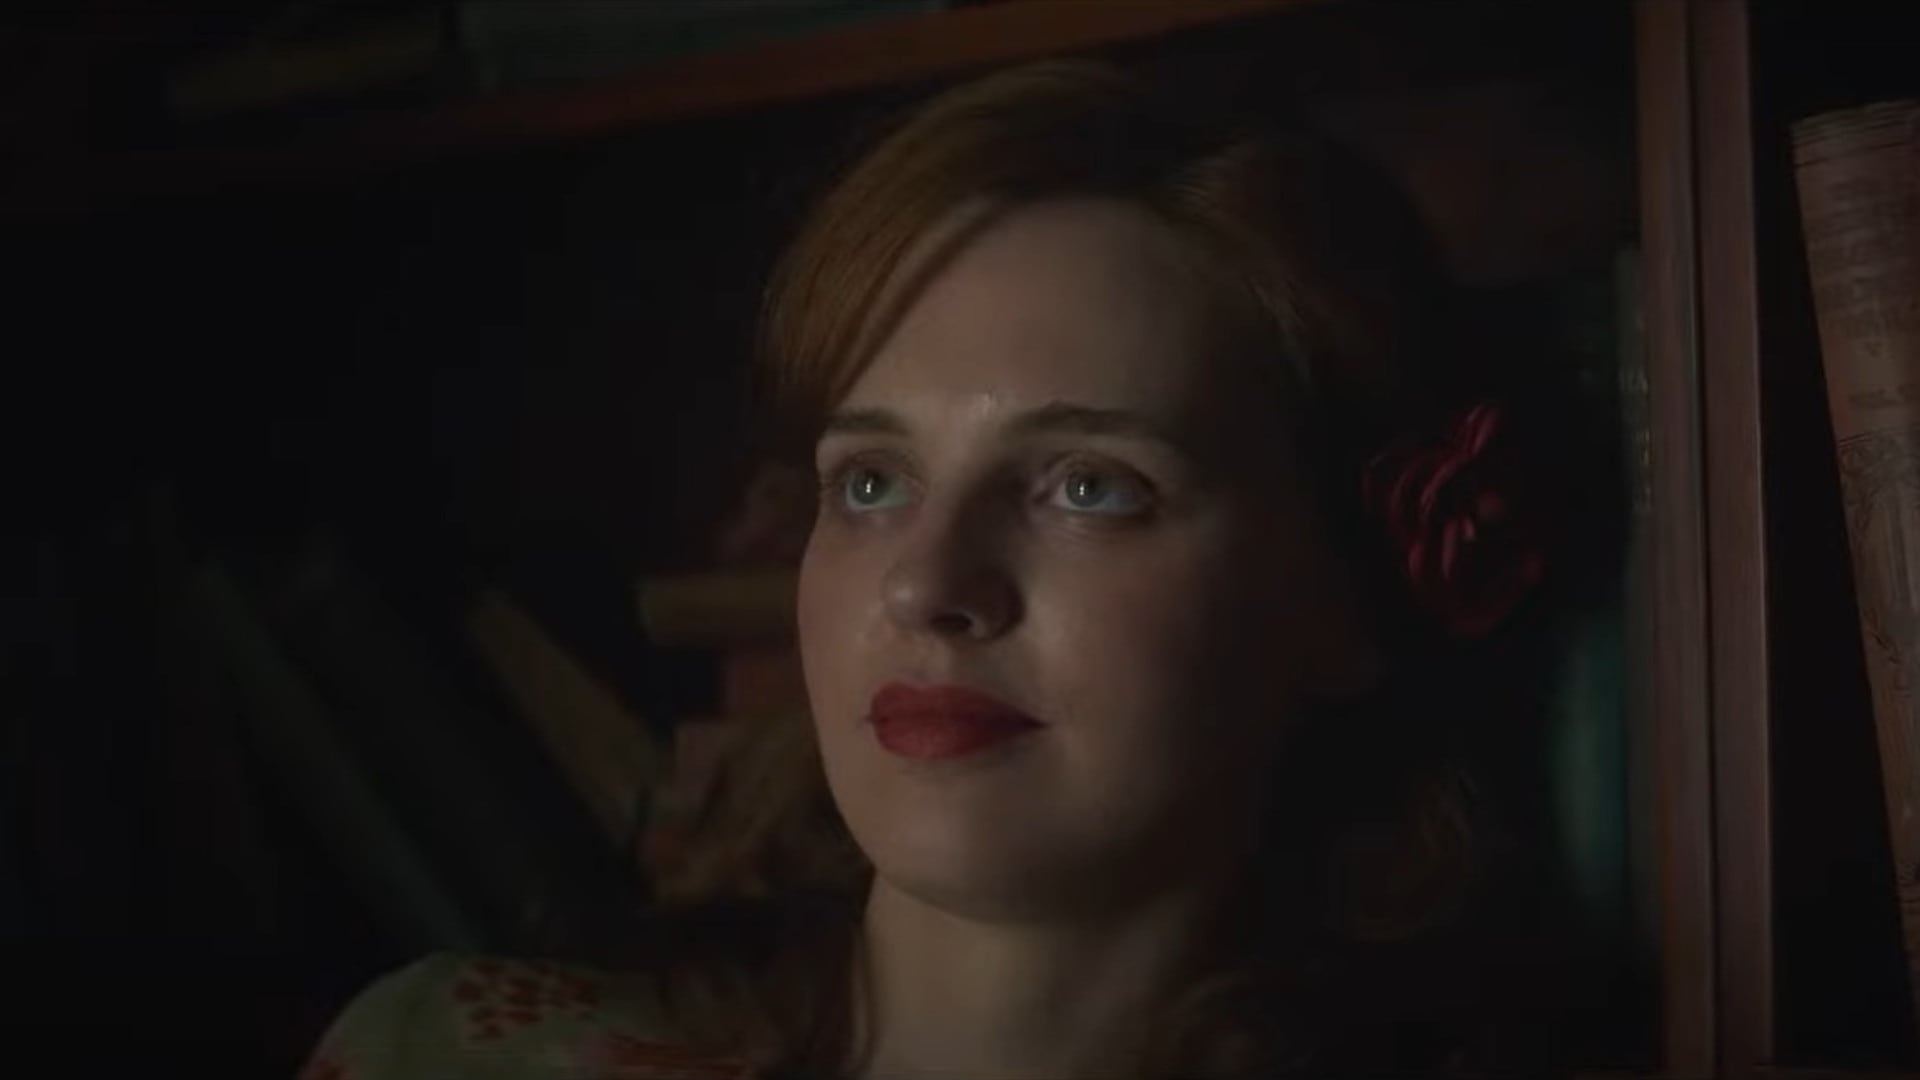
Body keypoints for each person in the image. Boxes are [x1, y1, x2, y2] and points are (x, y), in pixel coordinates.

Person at [299, 57, 1567, 1080]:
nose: (925, 585)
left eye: (1089, 487)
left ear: (1338, 599)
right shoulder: (439, 1053)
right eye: (871, 483)